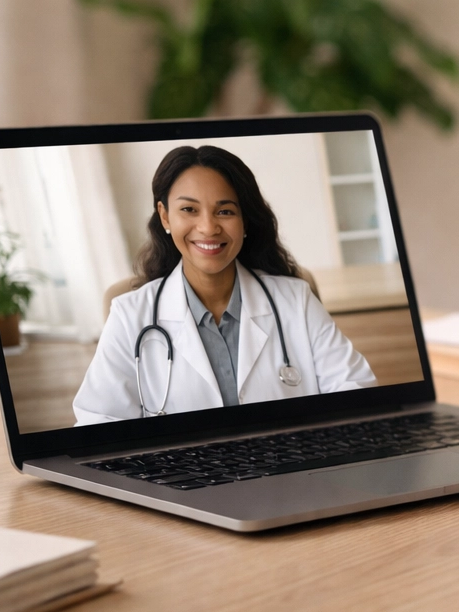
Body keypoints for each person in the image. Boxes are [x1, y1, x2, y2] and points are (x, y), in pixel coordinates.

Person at [74, 145, 375, 424]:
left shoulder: (296, 299)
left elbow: (358, 393)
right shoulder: (129, 315)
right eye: (189, 210)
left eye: (225, 211)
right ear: (165, 216)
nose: (208, 227)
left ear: (245, 220)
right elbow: (97, 423)